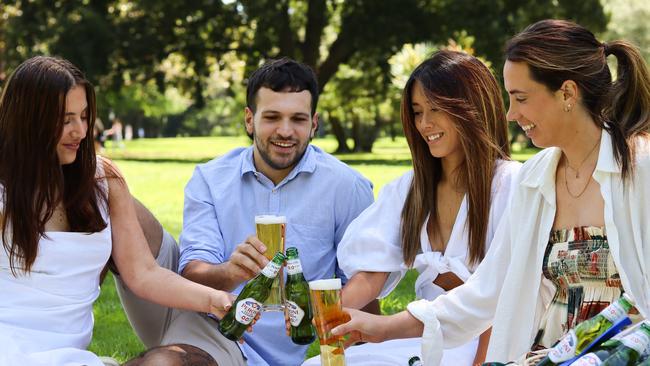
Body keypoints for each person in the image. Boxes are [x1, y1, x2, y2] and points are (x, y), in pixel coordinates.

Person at [329, 19, 650, 365]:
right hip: (549, 355)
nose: (510, 115)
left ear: (568, 93)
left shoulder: (640, 169)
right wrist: (384, 327)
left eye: (521, 98)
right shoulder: (535, 179)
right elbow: (487, 292)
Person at [114, 57, 374, 366]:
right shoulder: (210, 178)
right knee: (104, 187)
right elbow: (192, 271)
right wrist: (230, 272)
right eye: (272, 117)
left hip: (233, 344)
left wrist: (367, 354)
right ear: (249, 120)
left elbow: (365, 286)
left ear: (314, 124)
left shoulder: (347, 187)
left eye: (298, 120)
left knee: (163, 363)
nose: (285, 131)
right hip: (193, 305)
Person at [0, 56, 236, 366]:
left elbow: (144, 274)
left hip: (72, 359)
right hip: (11, 351)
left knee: (180, 362)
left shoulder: (101, 181)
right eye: (66, 118)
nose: (81, 130)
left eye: (84, 116)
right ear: (30, 121)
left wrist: (216, 300)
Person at [302, 50, 520, 366]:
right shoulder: (412, 188)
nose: (424, 124)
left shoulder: (509, 184)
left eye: (435, 109)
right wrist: (321, 316)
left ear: (471, 108)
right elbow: (371, 275)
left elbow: (504, 294)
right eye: (418, 112)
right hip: (422, 334)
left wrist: (483, 364)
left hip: (482, 340)